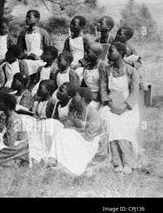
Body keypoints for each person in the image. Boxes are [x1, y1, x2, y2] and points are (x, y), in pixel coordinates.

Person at [100, 42, 140, 174]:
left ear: (121, 53)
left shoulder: (131, 71)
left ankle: (128, 162)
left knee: (122, 126)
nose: (108, 54)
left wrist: (123, 107)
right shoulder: (106, 70)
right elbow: (103, 91)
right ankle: (117, 163)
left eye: (111, 51)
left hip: (128, 107)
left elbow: (134, 93)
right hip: (110, 105)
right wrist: (111, 105)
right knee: (111, 125)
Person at [47, 87, 106, 176]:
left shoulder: (92, 112)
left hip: (91, 141)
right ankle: (55, 160)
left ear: (82, 98)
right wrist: (75, 130)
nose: (73, 97)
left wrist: (74, 131)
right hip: (78, 136)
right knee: (63, 133)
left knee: (66, 134)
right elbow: (67, 125)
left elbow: (90, 135)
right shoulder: (74, 110)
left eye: (75, 95)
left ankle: (65, 164)